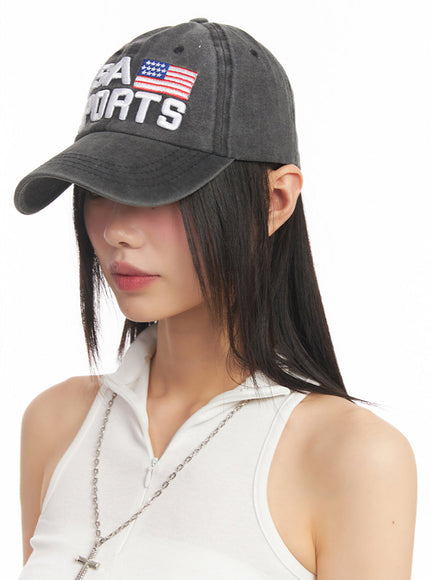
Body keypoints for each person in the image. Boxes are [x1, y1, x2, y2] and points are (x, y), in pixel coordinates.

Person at [15, 18, 417, 580]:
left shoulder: (351, 457)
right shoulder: (57, 423)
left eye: (158, 188)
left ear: (275, 201)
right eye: (100, 188)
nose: (116, 231)